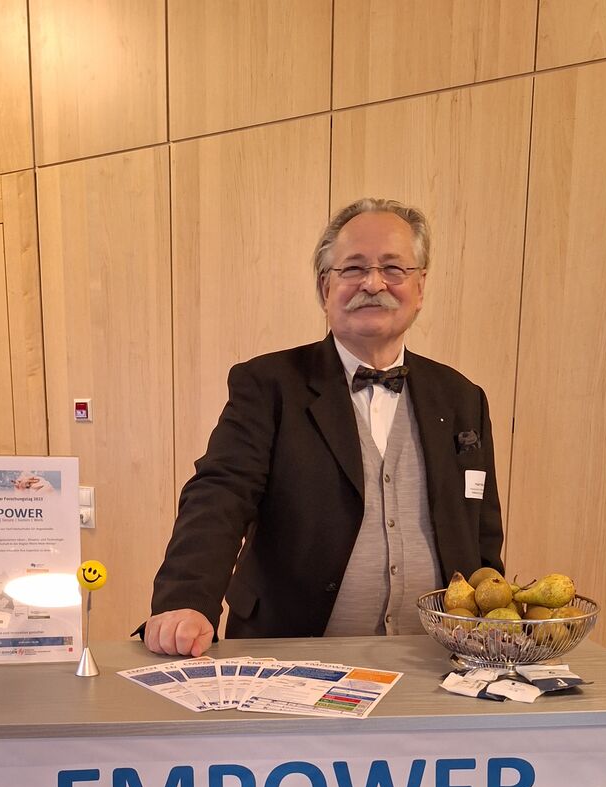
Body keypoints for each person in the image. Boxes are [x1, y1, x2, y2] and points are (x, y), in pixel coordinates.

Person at [142, 197, 504, 657]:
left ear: (421, 286)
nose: (374, 283)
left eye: (394, 268)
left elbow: (482, 532)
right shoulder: (269, 384)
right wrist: (186, 600)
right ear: (323, 287)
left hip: (436, 661)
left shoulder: (461, 396)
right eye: (353, 269)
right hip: (292, 656)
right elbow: (219, 494)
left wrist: (494, 629)